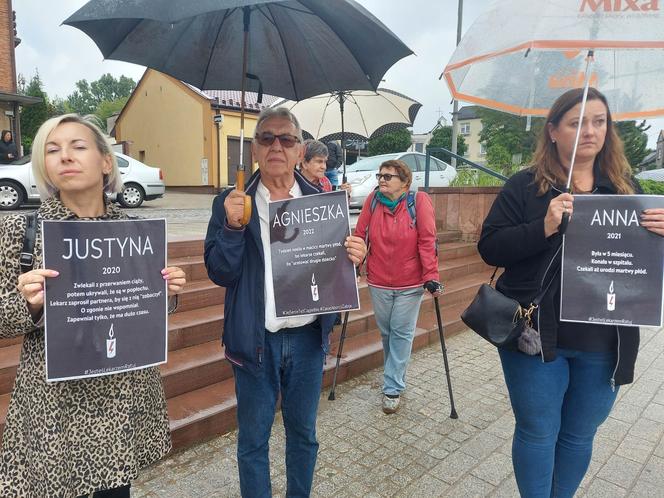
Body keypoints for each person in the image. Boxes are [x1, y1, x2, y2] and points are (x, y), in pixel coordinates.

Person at [477, 87, 664, 498]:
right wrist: (543, 225)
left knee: (579, 437)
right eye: (578, 122)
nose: (591, 131)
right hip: (535, 335)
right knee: (538, 433)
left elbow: (646, 268)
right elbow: (489, 247)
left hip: (604, 340)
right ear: (553, 131)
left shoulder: (627, 191)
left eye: (600, 121)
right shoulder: (525, 186)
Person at [0, 114, 186, 498]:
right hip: (56, 406)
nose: (64, 156)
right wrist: (28, 305)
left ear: (106, 162)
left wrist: (168, 294)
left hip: (121, 397)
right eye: (53, 150)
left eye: (77, 146)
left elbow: (144, 313)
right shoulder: (20, 231)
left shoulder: (137, 232)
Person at [204, 107, 367, 497]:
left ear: (299, 152)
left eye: (287, 139)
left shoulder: (324, 204)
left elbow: (335, 271)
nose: (276, 145)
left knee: (304, 436)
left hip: (309, 341)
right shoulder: (232, 202)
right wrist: (231, 227)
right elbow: (220, 273)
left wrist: (357, 256)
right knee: (253, 443)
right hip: (256, 341)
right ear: (255, 151)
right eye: (266, 138)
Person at [353, 159, 442, 414]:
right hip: (378, 279)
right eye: (380, 175)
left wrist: (431, 275)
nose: (382, 180)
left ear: (405, 182)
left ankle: (392, 386)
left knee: (401, 332)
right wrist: (355, 261)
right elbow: (360, 234)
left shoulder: (419, 201)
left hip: (409, 282)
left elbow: (427, 240)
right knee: (387, 333)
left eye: (388, 176)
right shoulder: (373, 200)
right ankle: (396, 372)